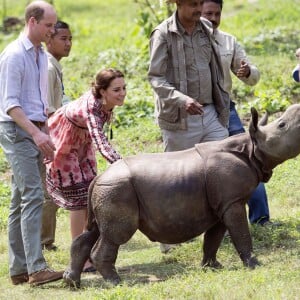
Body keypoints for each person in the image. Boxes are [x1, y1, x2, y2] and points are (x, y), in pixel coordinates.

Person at [148, 0, 230, 253]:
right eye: (193, 4)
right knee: (173, 179)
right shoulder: (163, 34)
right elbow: (155, 77)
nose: (198, 9)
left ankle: (216, 229)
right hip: (180, 118)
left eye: (200, 3)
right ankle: (165, 236)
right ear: (178, 3)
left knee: (222, 167)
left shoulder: (206, 27)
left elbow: (214, 67)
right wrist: (181, 99)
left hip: (210, 112)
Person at [0, 1, 63, 286]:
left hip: (34, 129)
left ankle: (19, 269)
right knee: (33, 196)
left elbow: (37, 101)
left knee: (18, 200)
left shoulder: (39, 54)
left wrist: (45, 128)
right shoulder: (14, 55)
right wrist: (36, 134)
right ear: (32, 22)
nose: (52, 31)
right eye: (49, 26)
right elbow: (10, 105)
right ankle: (37, 268)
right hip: (17, 129)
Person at [46, 68, 126, 271]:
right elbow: (100, 140)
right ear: (102, 91)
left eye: (124, 88)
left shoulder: (107, 103)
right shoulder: (92, 107)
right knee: (78, 201)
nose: (122, 93)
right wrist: (122, 165)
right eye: (116, 89)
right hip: (64, 142)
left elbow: (97, 137)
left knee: (90, 194)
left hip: (82, 142)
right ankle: (79, 257)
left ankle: (88, 249)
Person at [201, 0, 271, 226]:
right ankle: (210, 224)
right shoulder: (185, 42)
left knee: (249, 157)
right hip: (196, 112)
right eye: (207, 13)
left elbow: (252, 75)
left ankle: (260, 218)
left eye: (216, 13)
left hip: (225, 108)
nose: (212, 18)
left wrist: (248, 71)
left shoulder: (228, 41)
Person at [41, 20, 72, 251]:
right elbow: (49, 110)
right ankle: (43, 243)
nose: (68, 44)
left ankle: (44, 241)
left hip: (51, 135)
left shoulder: (53, 65)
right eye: (63, 39)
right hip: (46, 136)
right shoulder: (49, 68)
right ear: (48, 40)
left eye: (70, 39)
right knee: (46, 192)